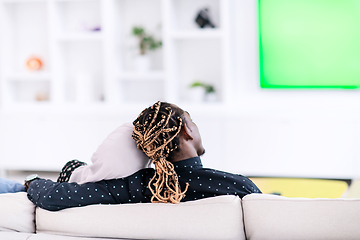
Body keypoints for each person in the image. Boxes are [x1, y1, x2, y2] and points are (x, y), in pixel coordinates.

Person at [26, 101, 261, 211]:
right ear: (187, 130)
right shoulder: (236, 185)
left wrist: (32, 182)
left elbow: (54, 196)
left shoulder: (137, 187)